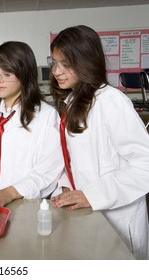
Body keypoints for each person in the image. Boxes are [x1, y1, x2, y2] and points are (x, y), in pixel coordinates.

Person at [49, 25, 149, 260]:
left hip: (118, 217)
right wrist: (66, 186)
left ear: (85, 61)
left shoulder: (111, 102)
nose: (56, 71)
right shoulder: (74, 101)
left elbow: (145, 166)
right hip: (89, 213)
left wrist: (92, 194)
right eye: (54, 62)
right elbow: (75, 158)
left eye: (66, 64)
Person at [0, 41, 63, 207]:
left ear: (24, 74)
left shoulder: (46, 116)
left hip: (23, 203)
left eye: (7, 74)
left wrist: (11, 192)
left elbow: (49, 171)